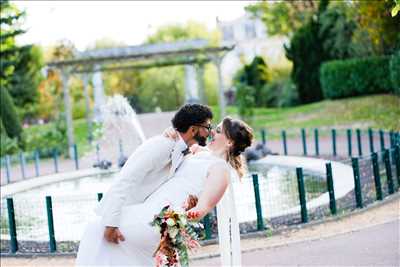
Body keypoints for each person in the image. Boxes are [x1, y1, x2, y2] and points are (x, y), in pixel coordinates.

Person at [76, 116, 253, 266]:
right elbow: (173, 152)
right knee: (107, 239)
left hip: (159, 220)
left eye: (219, 131)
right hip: (147, 208)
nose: (213, 132)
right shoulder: (197, 151)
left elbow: (203, 208)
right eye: (214, 128)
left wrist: (176, 219)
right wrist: (171, 133)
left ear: (229, 142)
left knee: (96, 228)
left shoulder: (220, 169)